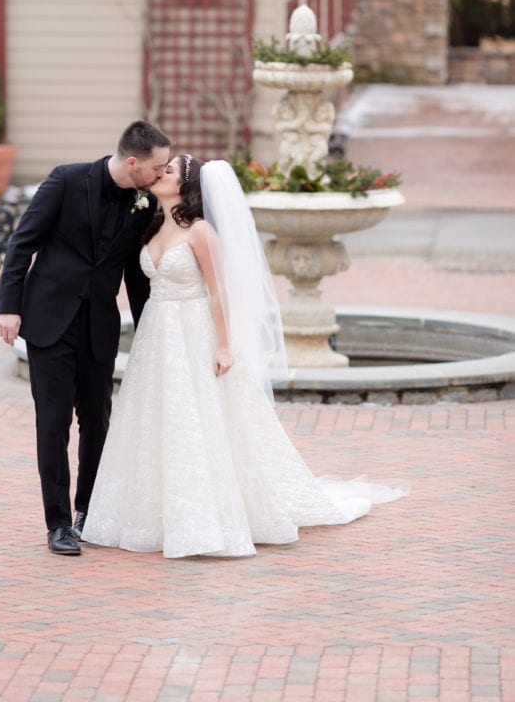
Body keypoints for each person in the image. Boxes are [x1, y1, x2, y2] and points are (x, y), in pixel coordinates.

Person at [82, 155, 408, 559]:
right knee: (155, 418)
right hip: (157, 334)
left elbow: (218, 291)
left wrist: (223, 344)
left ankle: (206, 516)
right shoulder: (152, 226)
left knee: (199, 418)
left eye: (169, 171)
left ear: (187, 187)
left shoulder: (200, 232)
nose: (160, 173)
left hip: (194, 329)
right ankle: (152, 513)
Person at [0, 121, 171, 556]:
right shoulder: (66, 180)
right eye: (157, 167)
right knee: (52, 424)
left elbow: (134, 274)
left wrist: (152, 326)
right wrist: (7, 305)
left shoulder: (145, 203)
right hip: (48, 320)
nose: (162, 174)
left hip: (99, 324)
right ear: (133, 163)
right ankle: (57, 524)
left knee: (98, 420)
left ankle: (88, 511)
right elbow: (23, 243)